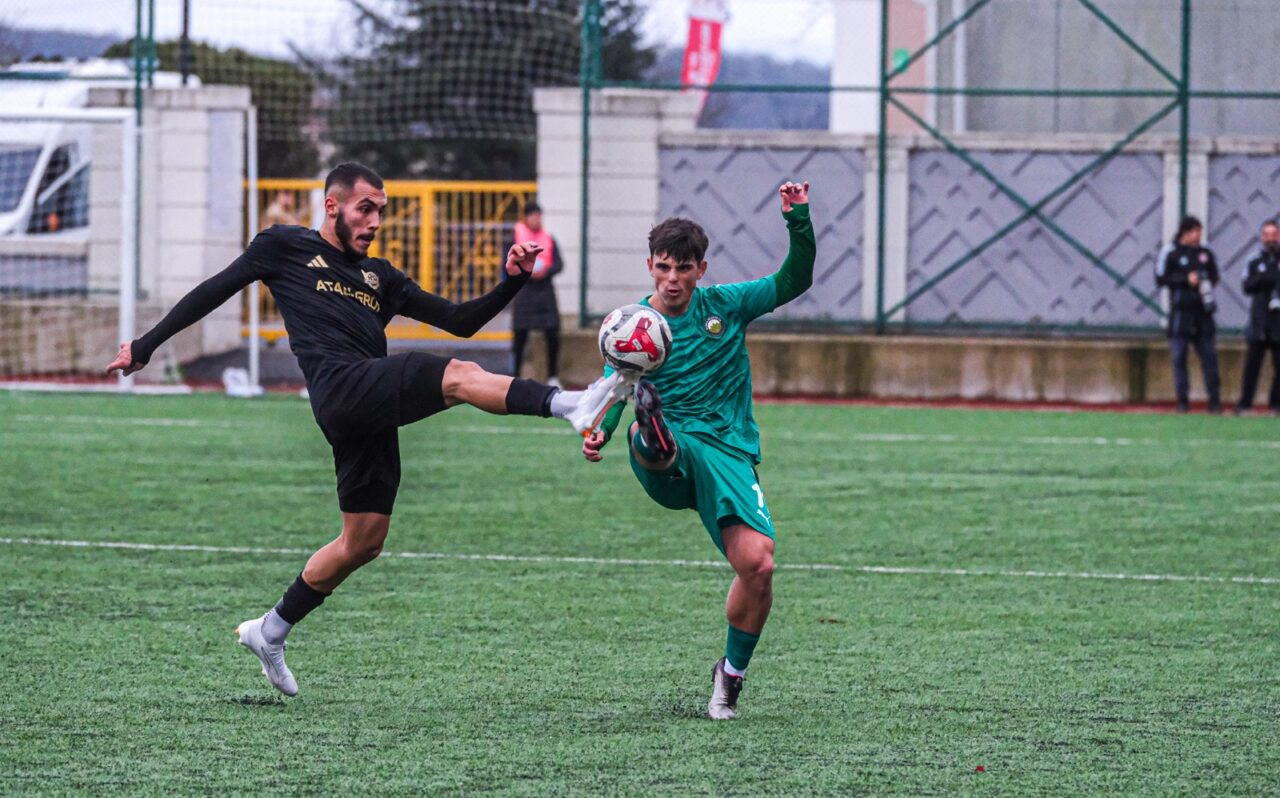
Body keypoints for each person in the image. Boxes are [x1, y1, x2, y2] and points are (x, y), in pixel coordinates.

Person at [106, 162, 608, 697]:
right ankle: (569, 404)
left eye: (381, 211)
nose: (374, 220)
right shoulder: (284, 247)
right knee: (458, 375)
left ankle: (270, 630)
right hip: (340, 389)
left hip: (368, 406)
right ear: (332, 206)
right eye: (365, 208)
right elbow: (213, 290)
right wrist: (146, 345)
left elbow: (462, 320)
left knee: (363, 540)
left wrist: (512, 277)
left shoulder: (381, 277)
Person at [580, 180, 815, 720]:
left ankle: (729, 676)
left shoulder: (725, 306)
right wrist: (603, 428)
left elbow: (793, 279)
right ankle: (652, 427)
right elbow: (616, 381)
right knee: (657, 438)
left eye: (683, 268)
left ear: (700, 270)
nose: (672, 279)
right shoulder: (635, 325)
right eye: (663, 267)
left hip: (728, 451)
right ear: (650, 265)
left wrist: (797, 217)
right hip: (671, 449)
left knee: (758, 566)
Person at [1157, 215, 1221, 413]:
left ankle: (1215, 401)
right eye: (1194, 232)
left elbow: (1215, 276)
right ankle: (1183, 401)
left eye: (1199, 233)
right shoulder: (1171, 252)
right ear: (1185, 232)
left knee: (1209, 358)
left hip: (1202, 315)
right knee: (1179, 358)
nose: (1197, 237)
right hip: (1180, 315)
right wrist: (1186, 279)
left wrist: (1205, 284)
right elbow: (1161, 278)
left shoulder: (1205, 252)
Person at [509, 201, 563, 385]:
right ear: (526, 217)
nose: (537, 220)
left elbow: (558, 264)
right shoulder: (514, 238)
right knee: (519, 337)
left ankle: (553, 376)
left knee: (553, 334)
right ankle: (515, 375)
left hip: (545, 294)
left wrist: (546, 271)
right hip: (524, 292)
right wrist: (525, 271)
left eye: (539, 216)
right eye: (533, 216)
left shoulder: (549, 239)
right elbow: (506, 263)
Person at [1234, 219, 1280, 415]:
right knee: (1252, 366)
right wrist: (1267, 276)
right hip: (1259, 322)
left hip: (1278, 323)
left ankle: (1276, 404)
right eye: (1267, 235)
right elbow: (1247, 285)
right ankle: (1245, 404)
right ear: (1262, 237)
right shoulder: (1254, 260)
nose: (1270, 239)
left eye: (1274, 235)